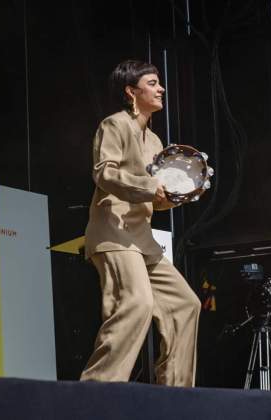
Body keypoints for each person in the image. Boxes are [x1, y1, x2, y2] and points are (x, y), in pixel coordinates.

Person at [81, 60, 201, 386]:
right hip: (113, 230)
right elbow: (104, 172)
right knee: (138, 302)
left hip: (142, 237)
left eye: (159, 83)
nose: (161, 88)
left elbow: (155, 200)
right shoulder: (114, 125)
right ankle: (98, 390)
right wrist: (151, 187)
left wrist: (174, 195)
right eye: (152, 83)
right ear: (131, 92)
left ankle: (176, 395)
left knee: (185, 304)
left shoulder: (156, 142)